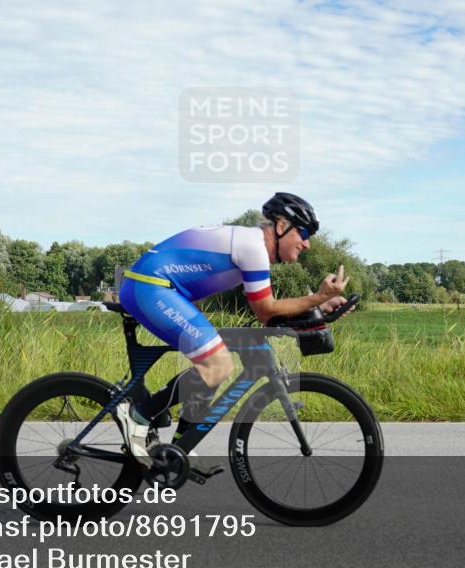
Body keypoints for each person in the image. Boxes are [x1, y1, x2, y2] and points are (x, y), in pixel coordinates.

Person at [117, 193, 353, 470]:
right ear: (281, 227)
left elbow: (272, 311)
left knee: (213, 367)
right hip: (150, 287)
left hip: (161, 289)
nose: (307, 243)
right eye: (302, 232)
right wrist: (318, 298)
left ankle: (177, 448)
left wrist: (321, 305)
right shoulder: (252, 247)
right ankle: (139, 415)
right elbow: (266, 311)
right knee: (217, 363)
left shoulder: (251, 248)